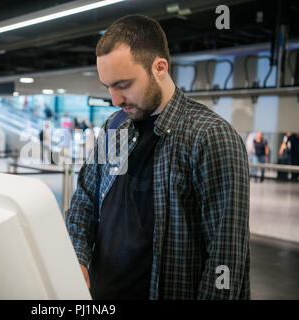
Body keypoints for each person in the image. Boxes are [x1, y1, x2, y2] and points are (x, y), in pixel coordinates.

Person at [65, 15, 250, 300]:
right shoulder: (115, 127)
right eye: (108, 87)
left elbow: (225, 254)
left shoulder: (209, 137)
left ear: (159, 68)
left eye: (124, 85)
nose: (115, 99)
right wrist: (77, 256)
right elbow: (85, 199)